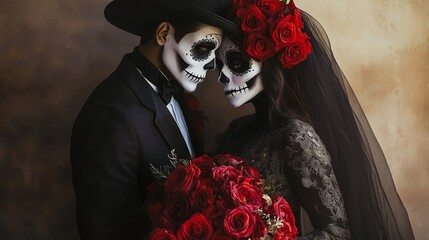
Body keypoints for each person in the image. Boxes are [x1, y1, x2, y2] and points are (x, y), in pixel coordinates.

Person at [216, 0, 415, 239]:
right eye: (218, 65)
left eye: (237, 64)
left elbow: (337, 233)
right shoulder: (237, 130)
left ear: (271, 64)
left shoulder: (296, 136)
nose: (222, 77)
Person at [70, 0, 239, 238]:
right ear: (163, 34)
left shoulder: (176, 93)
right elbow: (105, 232)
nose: (212, 65)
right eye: (203, 48)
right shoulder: (110, 115)